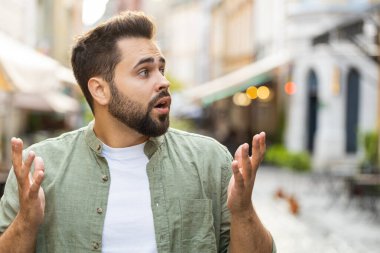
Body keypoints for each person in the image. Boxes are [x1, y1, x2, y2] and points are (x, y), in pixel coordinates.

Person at [0, 11, 276, 253]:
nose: (163, 82)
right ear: (100, 90)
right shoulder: (38, 169)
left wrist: (243, 212)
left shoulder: (209, 161)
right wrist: (26, 222)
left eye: (161, 69)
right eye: (144, 72)